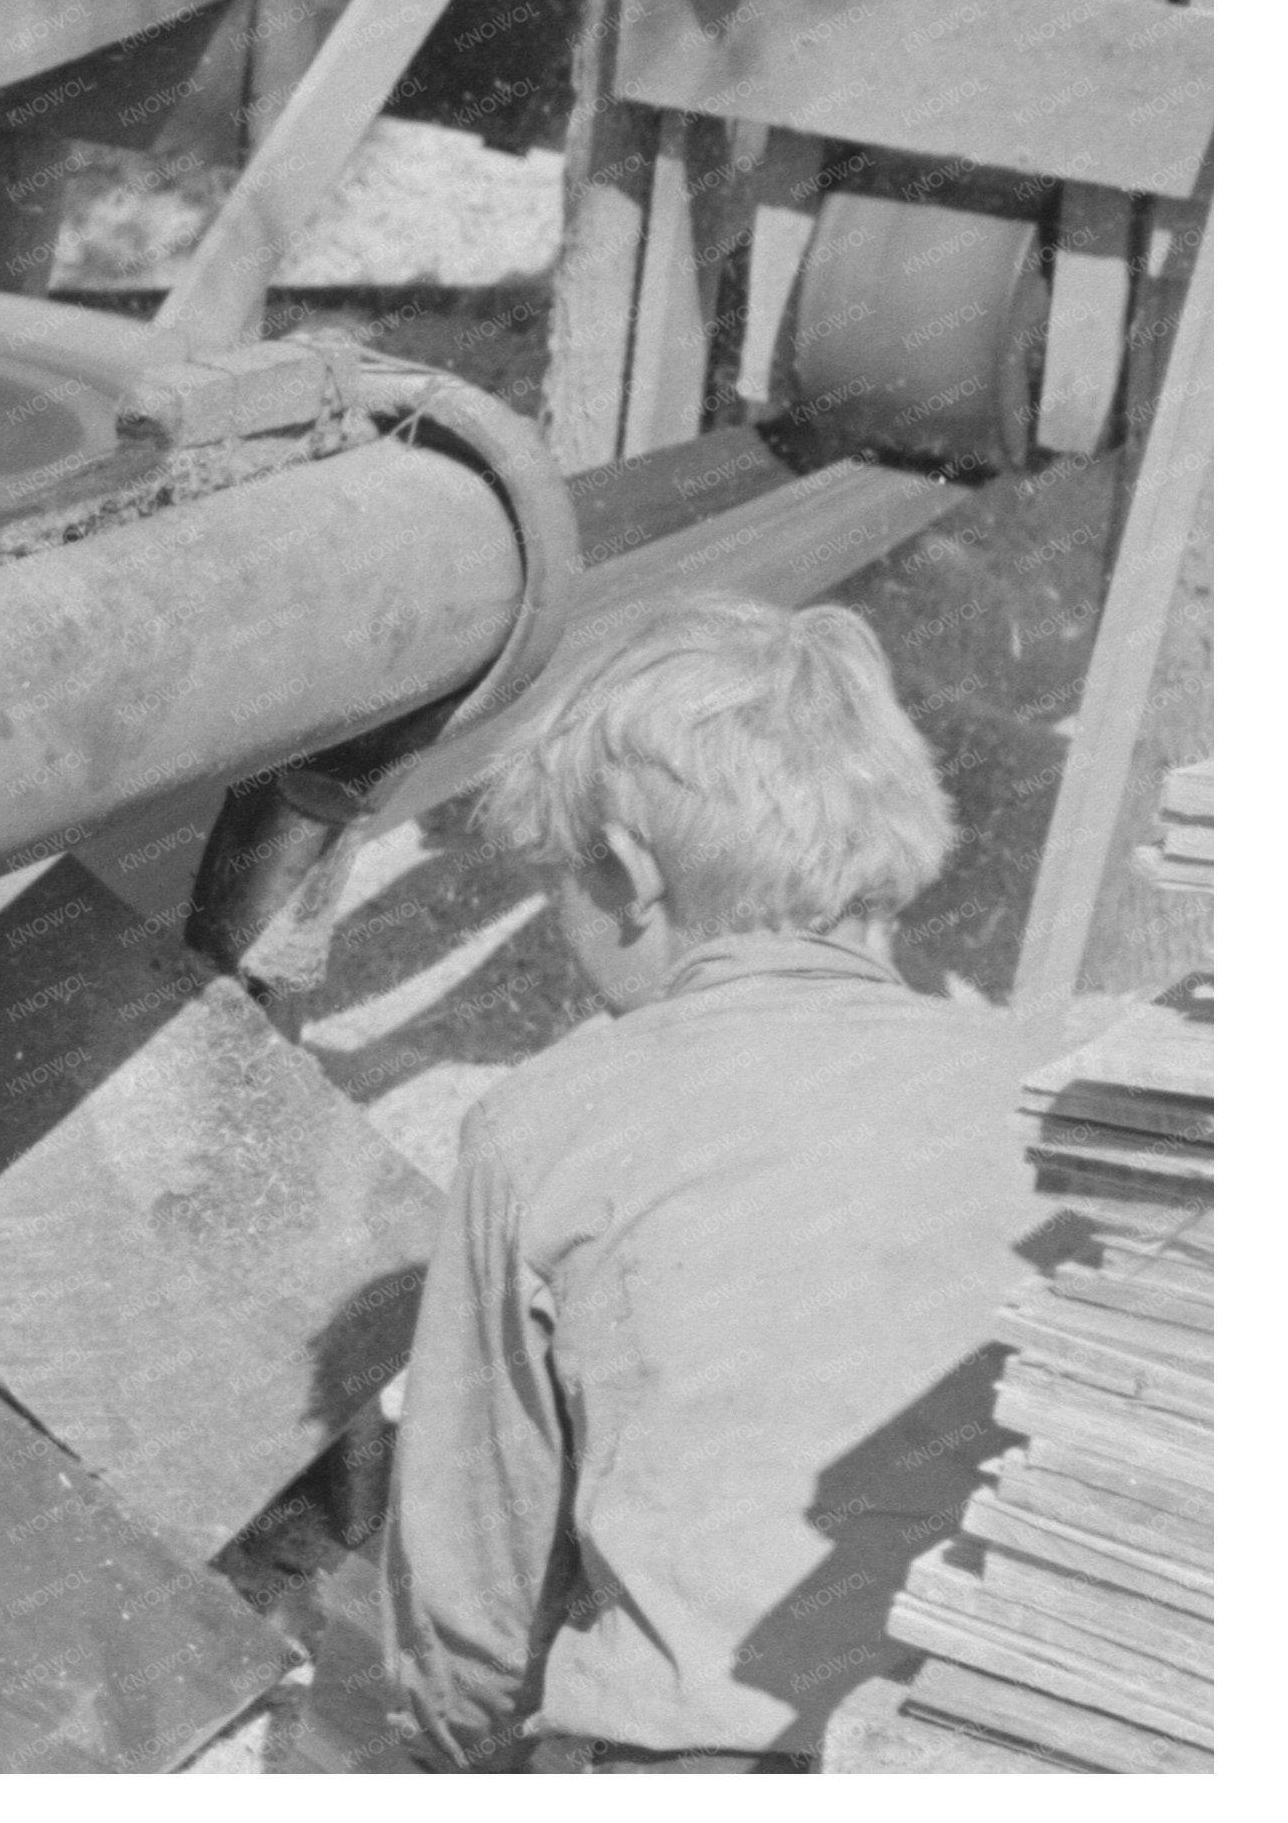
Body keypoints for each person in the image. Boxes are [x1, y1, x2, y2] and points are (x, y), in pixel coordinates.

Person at [383, 593, 1036, 1774]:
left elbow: (475, 1596)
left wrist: (445, 1757)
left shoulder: (547, 1117)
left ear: (631, 873)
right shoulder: (1045, 1086)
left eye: (560, 888)